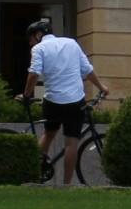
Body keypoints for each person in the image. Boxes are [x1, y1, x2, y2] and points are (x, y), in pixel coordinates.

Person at [21, 16, 109, 186]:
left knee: (48, 134)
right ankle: (66, 185)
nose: (31, 43)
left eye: (31, 39)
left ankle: (35, 174)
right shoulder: (72, 43)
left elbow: (33, 74)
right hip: (75, 101)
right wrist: (101, 87)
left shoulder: (39, 48)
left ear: (38, 35)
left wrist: (26, 95)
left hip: (53, 101)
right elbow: (87, 70)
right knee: (71, 142)